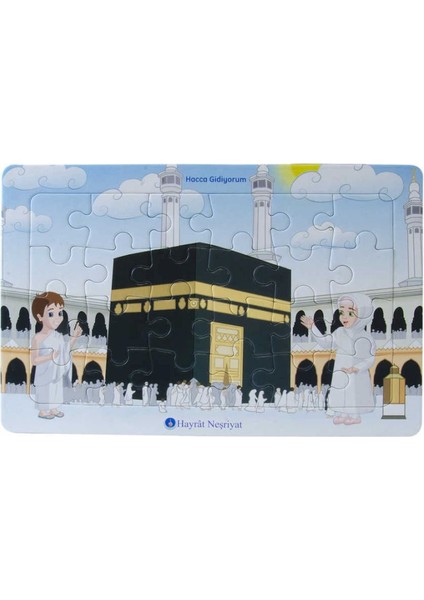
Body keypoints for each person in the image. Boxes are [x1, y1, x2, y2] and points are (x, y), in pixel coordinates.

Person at [301, 293, 376, 425]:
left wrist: (357, 368)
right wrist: (313, 328)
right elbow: (326, 342)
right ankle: (342, 413)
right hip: (341, 369)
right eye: (341, 312)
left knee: (354, 393)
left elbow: (370, 359)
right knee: (341, 392)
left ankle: (354, 415)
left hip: (356, 373)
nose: (344, 317)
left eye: (350, 313)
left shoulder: (365, 337)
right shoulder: (340, 332)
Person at [31, 291, 82, 419]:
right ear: (40, 317)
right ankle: (43, 411)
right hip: (44, 373)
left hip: (56, 372)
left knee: (55, 390)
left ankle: (53, 408)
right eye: (51, 314)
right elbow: (34, 360)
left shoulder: (58, 336)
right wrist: (49, 357)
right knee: (45, 391)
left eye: (60, 313)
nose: (57, 317)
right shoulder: (37, 338)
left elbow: (65, 350)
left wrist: (75, 337)